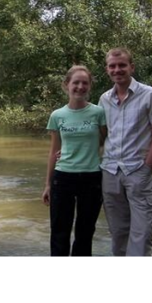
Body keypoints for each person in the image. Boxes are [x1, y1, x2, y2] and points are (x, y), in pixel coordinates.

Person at [98, 48, 152, 257]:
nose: (117, 70)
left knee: (142, 233)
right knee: (118, 232)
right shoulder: (104, 99)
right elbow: (101, 137)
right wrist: (67, 153)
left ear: (131, 67)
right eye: (112, 66)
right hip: (109, 172)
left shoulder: (150, 95)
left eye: (122, 65)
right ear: (107, 70)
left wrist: (147, 169)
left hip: (138, 171)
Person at [43, 65, 107, 257]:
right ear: (66, 85)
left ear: (90, 86)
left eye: (84, 83)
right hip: (63, 178)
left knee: (85, 232)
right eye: (75, 82)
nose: (80, 87)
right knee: (59, 232)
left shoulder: (98, 113)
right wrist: (47, 184)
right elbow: (54, 151)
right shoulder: (57, 115)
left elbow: (105, 141)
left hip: (92, 177)